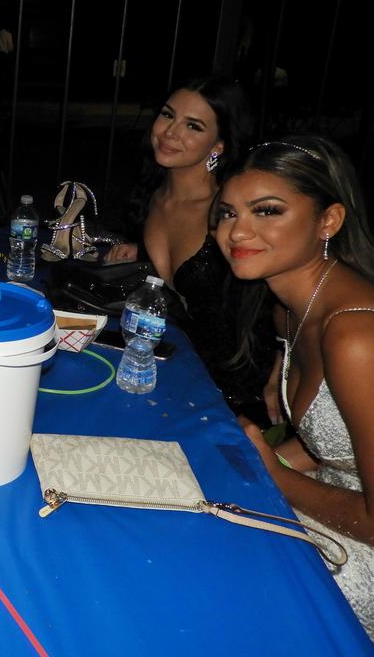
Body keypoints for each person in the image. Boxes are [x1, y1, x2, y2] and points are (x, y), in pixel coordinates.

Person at [215, 136, 374, 645]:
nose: (237, 231)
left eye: (267, 211)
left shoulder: (358, 338)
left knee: (226, 584)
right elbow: (334, 446)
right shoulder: (289, 309)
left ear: (328, 221)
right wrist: (260, 463)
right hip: (350, 500)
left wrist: (274, 476)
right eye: (227, 213)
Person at [105, 76, 276, 418]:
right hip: (166, 369)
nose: (170, 132)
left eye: (193, 126)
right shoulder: (151, 194)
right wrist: (139, 253)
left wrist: (283, 372)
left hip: (236, 392)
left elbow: (284, 294)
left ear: (219, 145)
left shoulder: (230, 212)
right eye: (168, 115)